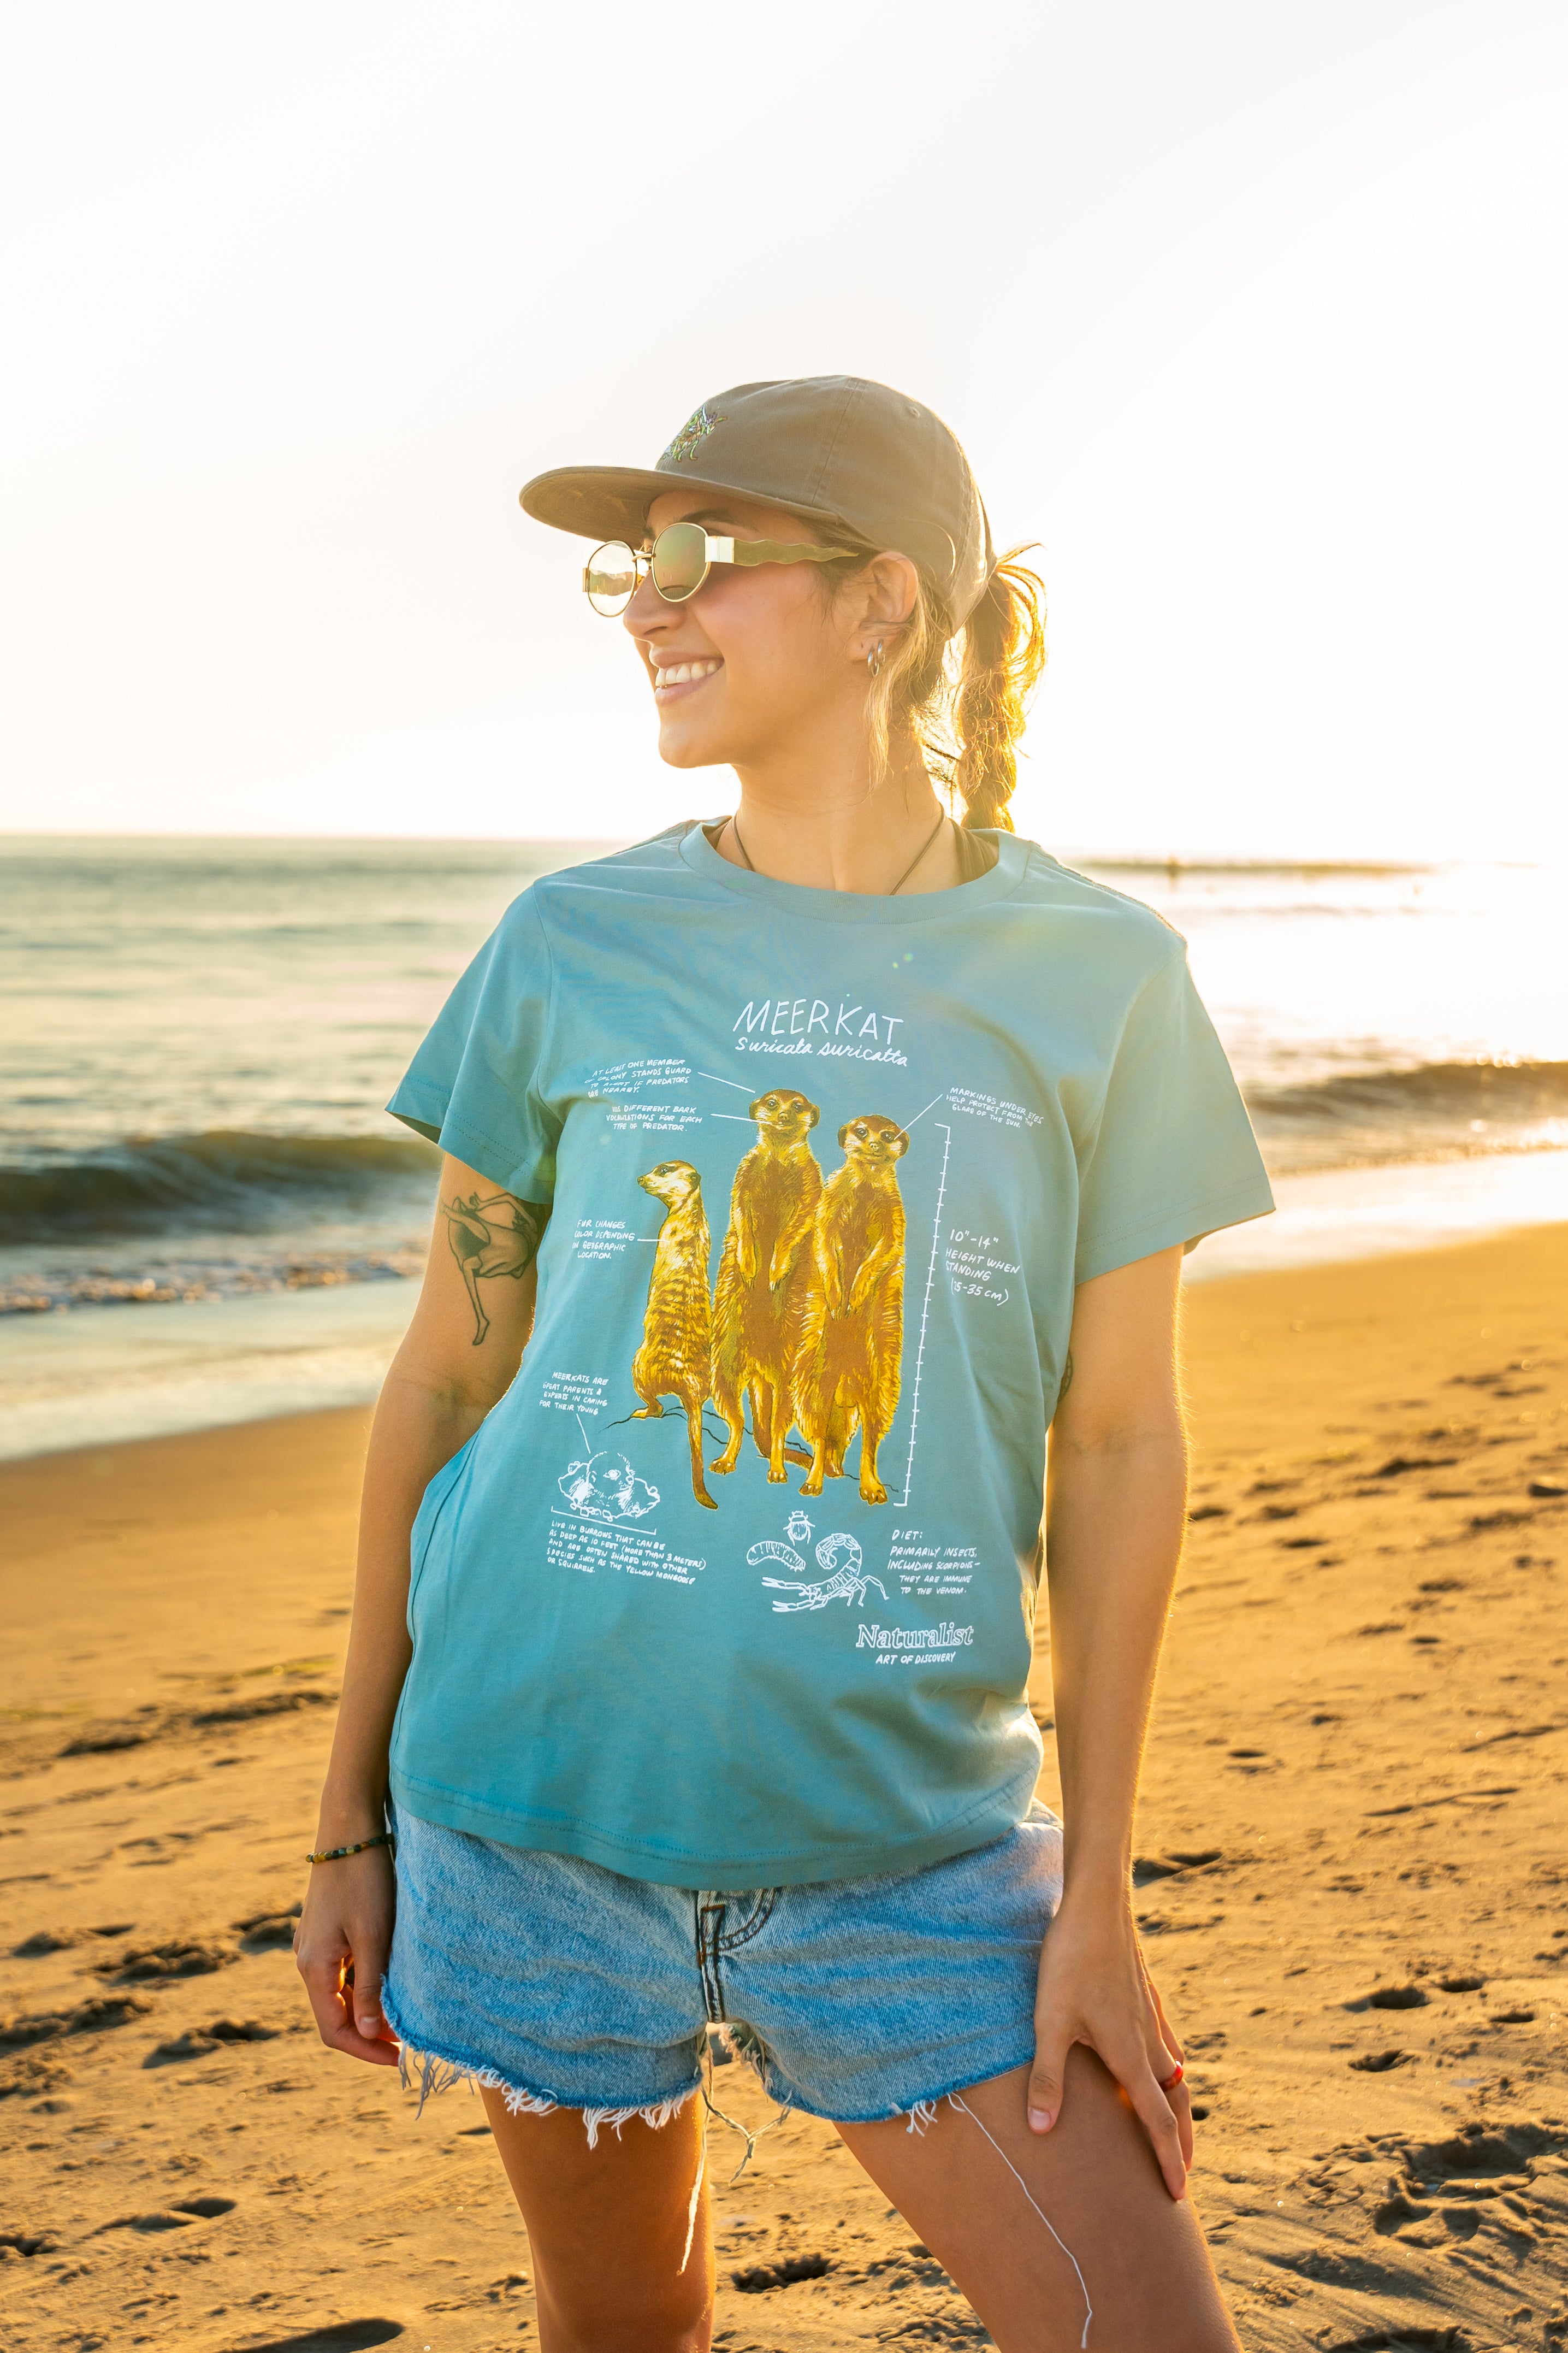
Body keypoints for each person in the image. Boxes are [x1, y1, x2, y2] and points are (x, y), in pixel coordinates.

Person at [295, 375, 1274, 2352]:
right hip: (524, 1807)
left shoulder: (1103, 979)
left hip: (905, 1845)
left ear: (882, 606)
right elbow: (445, 1383)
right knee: (627, 2338)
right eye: (625, 566)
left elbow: (1119, 1446)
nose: (646, 605)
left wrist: (1097, 1897)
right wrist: (351, 1814)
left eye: (695, 557)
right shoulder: (568, 942)